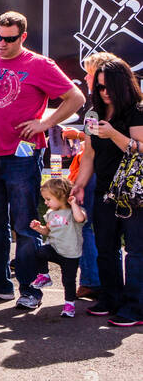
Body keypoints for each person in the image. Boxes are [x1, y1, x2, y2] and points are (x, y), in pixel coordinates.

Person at [0, 11, 84, 310]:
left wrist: (45, 123)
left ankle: (30, 289)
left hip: (22, 156)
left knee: (25, 223)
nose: (1, 43)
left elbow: (76, 97)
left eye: (9, 39)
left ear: (23, 37)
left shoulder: (39, 64)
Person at [72, 58, 143, 326]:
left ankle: (135, 307)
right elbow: (88, 154)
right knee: (105, 247)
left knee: (136, 250)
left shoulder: (137, 110)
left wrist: (113, 134)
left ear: (123, 84)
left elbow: (141, 147)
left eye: (108, 86)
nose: (104, 92)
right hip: (104, 190)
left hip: (133, 192)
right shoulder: (93, 113)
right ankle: (111, 298)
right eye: (99, 87)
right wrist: (79, 183)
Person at [30, 177, 86, 318]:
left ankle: (69, 305)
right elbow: (47, 231)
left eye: (48, 199)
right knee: (40, 251)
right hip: (55, 249)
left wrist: (73, 204)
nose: (46, 202)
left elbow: (80, 219)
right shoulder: (50, 214)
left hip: (71, 254)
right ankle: (44, 276)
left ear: (61, 196)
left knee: (68, 280)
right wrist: (38, 228)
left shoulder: (74, 212)